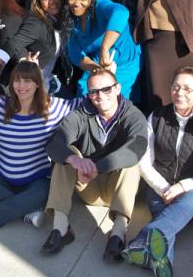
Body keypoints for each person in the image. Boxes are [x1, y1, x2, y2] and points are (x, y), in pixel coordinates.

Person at [0, 59, 80, 230]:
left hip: (37, 180)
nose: (21, 86)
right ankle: (27, 209)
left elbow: (86, 103)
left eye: (27, 80)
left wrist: (106, 73)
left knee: (45, 192)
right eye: (17, 80)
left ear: (38, 83)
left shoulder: (52, 107)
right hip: (0, 177)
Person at [124, 67, 193, 277]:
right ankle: (161, 259)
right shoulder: (157, 116)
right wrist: (164, 187)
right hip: (160, 187)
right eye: (176, 87)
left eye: (187, 88)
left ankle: (139, 243)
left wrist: (184, 186)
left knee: (188, 201)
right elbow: (144, 160)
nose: (179, 92)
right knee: (165, 220)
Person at [41, 68, 146, 260]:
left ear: (117, 88)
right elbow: (54, 142)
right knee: (67, 154)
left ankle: (118, 234)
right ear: (88, 94)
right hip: (89, 186)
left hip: (119, 190)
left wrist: (98, 167)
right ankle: (60, 229)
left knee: (132, 162)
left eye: (106, 89)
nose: (100, 96)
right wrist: (75, 160)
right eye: (94, 91)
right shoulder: (82, 113)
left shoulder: (133, 115)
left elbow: (138, 147)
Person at [60, 0, 141, 99]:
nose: (77, 3)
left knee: (114, 99)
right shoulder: (69, 19)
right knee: (84, 95)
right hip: (98, 64)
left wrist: (104, 48)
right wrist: (96, 68)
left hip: (125, 60)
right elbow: (76, 54)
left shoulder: (100, 6)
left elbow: (121, 12)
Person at [1, 0, 76, 97]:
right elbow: (14, 43)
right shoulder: (36, 21)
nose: (51, 1)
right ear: (39, 2)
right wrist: (24, 60)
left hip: (51, 79)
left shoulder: (67, 20)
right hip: (29, 80)